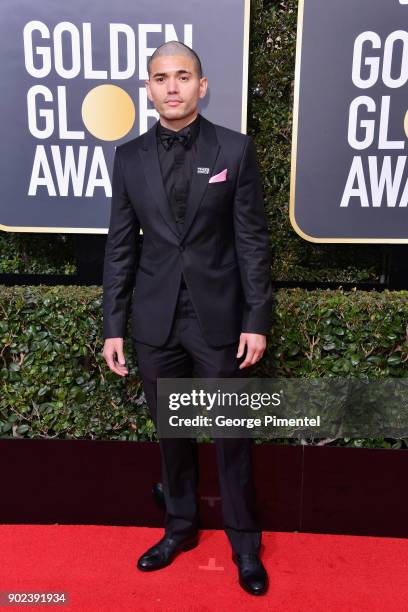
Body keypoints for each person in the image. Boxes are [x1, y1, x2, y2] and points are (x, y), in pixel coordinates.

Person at [102, 40, 272, 596]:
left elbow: (251, 242)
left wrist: (257, 318)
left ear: (201, 85)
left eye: (182, 76)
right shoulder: (127, 157)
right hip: (155, 321)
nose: (171, 86)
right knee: (171, 434)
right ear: (147, 89)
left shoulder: (235, 150)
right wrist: (113, 325)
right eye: (160, 77)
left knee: (231, 435)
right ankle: (179, 527)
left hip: (220, 320)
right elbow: (120, 247)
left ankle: (245, 543)